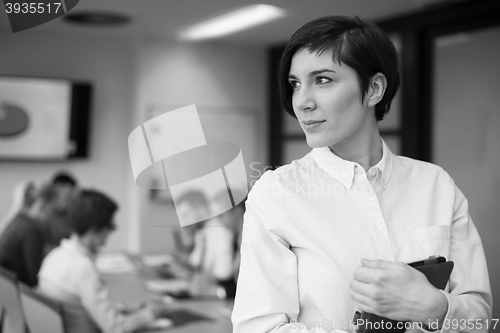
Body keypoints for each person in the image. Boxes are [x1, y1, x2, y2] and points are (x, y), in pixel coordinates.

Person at [232, 16, 492, 333]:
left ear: (373, 89)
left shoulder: (435, 184)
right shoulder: (276, 193)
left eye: (323, 80)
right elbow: (258, 328)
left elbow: (481, 315)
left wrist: (434, 308)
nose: (302, 101)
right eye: (295, 84)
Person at [38, 189, 169, 333]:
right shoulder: (83, 268)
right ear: (95, 229)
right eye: (111, 226)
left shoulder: (54, 256)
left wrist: (128, 310)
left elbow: (85, 307)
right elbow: (115, 328)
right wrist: (150, 314)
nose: (111, 232)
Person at [0, 184, 59, 287]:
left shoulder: (17, 220)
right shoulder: (32, 231)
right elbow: (35, 278)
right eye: (53, 209)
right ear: (43, 205)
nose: (53, 216)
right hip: (22, 292)